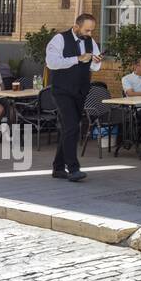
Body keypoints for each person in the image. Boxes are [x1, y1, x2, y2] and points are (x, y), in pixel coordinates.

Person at [45, 13, 103, 182]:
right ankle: (73, 169)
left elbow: (95, 67)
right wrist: (77, 58)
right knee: (72, 127)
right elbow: (52, 63)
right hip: (62, 90)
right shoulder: (59, 39)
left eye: (92, 30)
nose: (90, 34)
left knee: (68, 128)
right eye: (87, 30)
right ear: (76, 26)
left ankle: (57, 167)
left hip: (81, 90)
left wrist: (97, 61)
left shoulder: (90, 41)